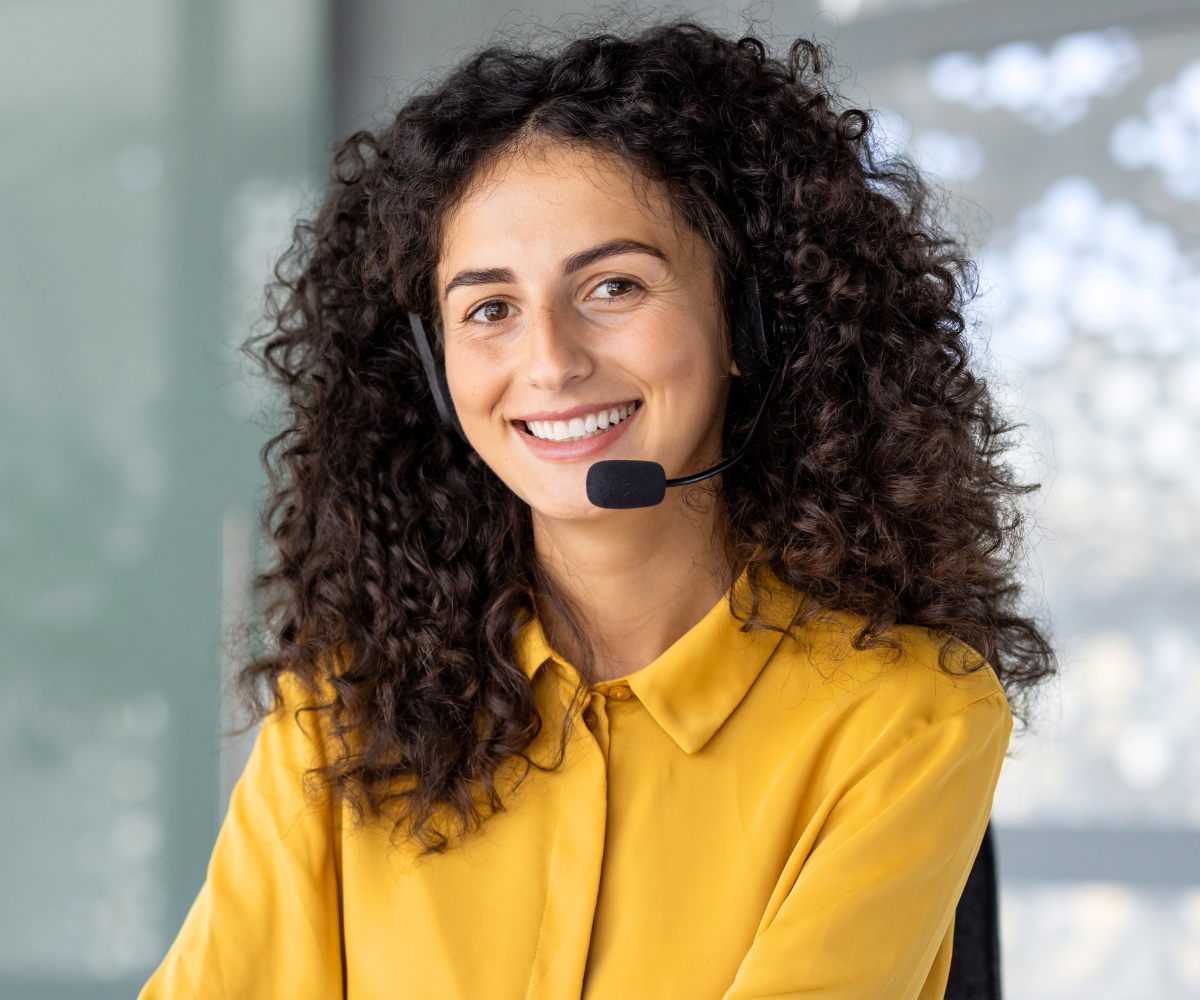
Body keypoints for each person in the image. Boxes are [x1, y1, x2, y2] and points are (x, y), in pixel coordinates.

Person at [141, 22, 1054, 1000]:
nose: (550, 361)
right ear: (438, 375)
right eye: (489, 309)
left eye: (613, 287)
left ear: (748, 324)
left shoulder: (907, 718)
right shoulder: (342, 710)